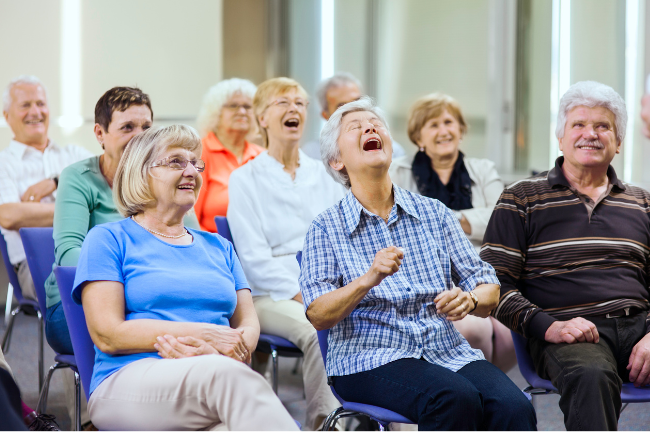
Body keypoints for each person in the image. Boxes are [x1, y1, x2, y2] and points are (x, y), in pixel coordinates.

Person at [300, 96, 536, 431]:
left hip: (445, 349)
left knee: (514, 407)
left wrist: (469, 299)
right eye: (355, 127)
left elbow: (488, 287)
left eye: (376, 124)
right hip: (367, 358)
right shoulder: (326, 227)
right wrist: (368, 279)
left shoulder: (434, 213)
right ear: (337, 161)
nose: (370, 128)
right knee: (454, 398)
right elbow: (318, 314)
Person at [71, 124, 298, 431]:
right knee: (229, 379)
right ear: (141, 173)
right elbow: (108, 334)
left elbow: (248, 323)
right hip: (129, 379)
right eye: (176, 162)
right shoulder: (108, 239)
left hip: (216, 374)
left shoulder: (219, 246)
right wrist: (206, 337)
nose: (191, 171)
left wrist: (218, 352)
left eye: (195, 163)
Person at [480, 81, 650, 431]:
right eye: (579, 124)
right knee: (591, 374)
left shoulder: (643, 203)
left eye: (603, 126)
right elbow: (491, 286)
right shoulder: (521, 199)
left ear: (618, 142)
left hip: (641, 328)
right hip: (567, 331)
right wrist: (550, 327)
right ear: (560, 138)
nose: (591, 134)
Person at [227, 77, 344, 430]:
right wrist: (306, 294)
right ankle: (326, 424)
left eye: (299, 103)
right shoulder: (245, 179)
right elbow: (253, 260)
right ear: (262, 117)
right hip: (270, 294)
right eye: (282, 102)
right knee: (319, 329)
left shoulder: (325, 175)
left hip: (327, 285)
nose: (294, 109)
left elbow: (342, 240)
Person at [389, 93, 515, 372]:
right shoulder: (398, 173)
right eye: (433, 125)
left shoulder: (483, 170)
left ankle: (482, 391)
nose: (443, 131)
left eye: (448, 122)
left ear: (460, 129)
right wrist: (469, 222)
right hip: (430, 279)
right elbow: (397, 226)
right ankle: (475, 389)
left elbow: (503, 220)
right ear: (418, 137)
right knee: (475, 331)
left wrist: (446, 220)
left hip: (485, 273)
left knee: (510, 337)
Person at [0, 75, 92, 300]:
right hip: (36, 265)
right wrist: (78, 209)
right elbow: (9, 215)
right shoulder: (4, 163)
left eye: (40, 104)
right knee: (84, 287)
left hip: (85, 254)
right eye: (25, 105)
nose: (35, 112)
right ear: (7, 116)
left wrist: (57, 181)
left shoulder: (74, 155)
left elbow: (110, 184)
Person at [194, 78, 264, 232]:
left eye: (247, 106)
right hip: (212, 243)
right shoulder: (198, 152)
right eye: (233, 106)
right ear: (216, 112)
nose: (242, 112)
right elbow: (189, 217)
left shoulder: (262, 156)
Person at [302, 72, 405, 160]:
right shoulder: (311, 155)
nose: (354, 109)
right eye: (342, 106)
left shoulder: (392, 151)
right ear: (326, 115)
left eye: (357, 101)